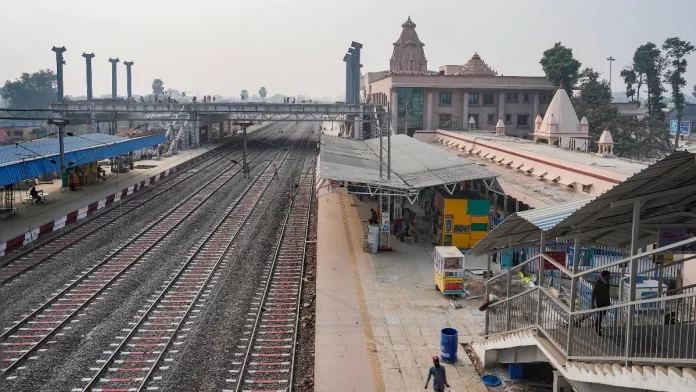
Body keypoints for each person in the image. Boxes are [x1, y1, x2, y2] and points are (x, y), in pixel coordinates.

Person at [591, 270, 612, 336]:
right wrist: (592, 303)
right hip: (600, 302)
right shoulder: (598, 283)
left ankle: (598, 325)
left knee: (602, 315)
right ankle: (597, 330)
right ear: (605, 276)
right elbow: (593, 294)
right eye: (609, 275)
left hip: (605, 302)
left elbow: (607, 293)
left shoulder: (607, 282)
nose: (610, 276)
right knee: (600, 315)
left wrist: (608, 301)